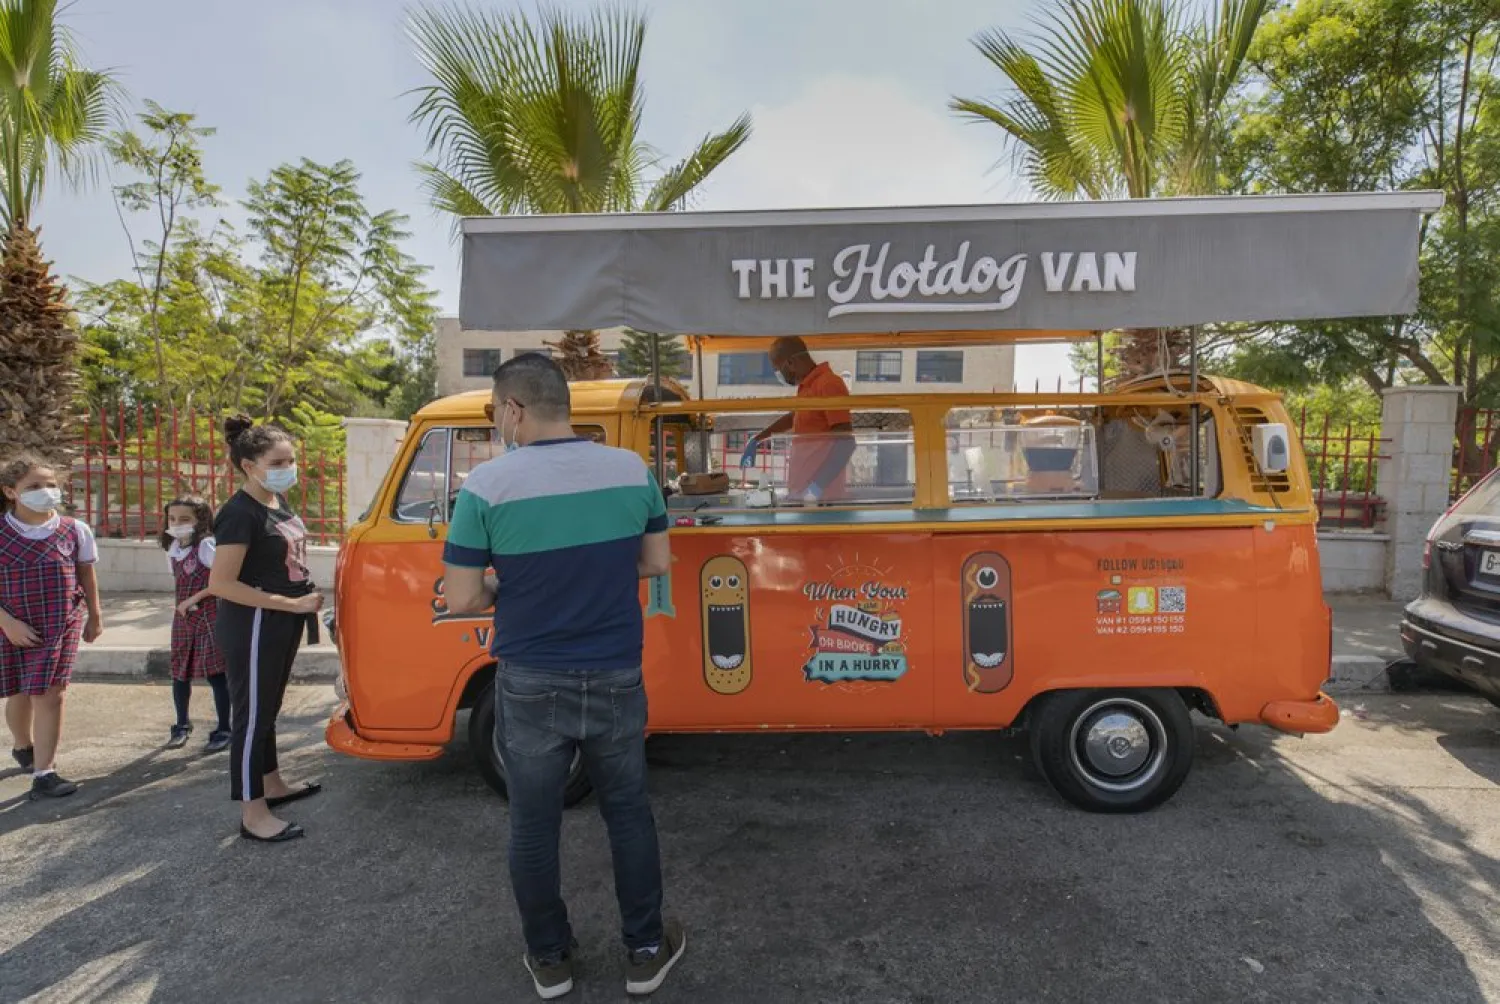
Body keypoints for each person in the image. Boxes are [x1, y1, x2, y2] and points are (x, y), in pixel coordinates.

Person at [442, 354, 683, 1000]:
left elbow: (462, 598)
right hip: (614, 672)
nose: (498, 425)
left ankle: (550, 959)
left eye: (497, 413)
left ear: (515, 409)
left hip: (528, 680)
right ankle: (646, 949)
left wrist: (507, 581)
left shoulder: (486, 488)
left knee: (534, 821)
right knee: (628, 811)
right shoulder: (631, 470)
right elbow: (655, 561)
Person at [207, 416, 323, 844]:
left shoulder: (278, 502)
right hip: (255, 623)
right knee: (251, 716)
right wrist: (290, 602)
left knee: (268, 708)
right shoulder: (238, 513)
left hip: (282, 620)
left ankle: (272, 784)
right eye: (278, 461)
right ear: (248, 465)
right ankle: (252, 812)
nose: (288, 467)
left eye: (291, 459)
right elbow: (221, 584)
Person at [0, 453, 103, 799]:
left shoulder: (75, 529)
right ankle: (22, 744)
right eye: (34, 486)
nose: (46, 492)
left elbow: (86, 572)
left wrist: (96, 615)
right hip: (11, 624)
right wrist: (7, 623)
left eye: (51, 485)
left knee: (51, 694)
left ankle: (44, 773)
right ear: (11, 491)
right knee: (19, 693)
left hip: (61, 622)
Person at [740, 335, 857, 503]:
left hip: (823, 500)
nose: (778, 375)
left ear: (790, 363)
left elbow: (846, 443)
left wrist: (817, 487)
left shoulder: (829, 384)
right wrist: (757, 439)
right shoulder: (806, 387)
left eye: (777, 369)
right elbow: (794, 417)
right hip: (803, 495)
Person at [160, 495, 231, 752]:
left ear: (200, 520)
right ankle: (181, 725)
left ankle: (224, 728)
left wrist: (193, 599)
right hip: (183, 619)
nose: (177, 523)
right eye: (172, 518)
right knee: (179, 673)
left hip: (209, 616)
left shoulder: (207, 547)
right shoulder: (174, 549)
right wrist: (184, 604)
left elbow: (221, 581)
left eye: (185, 519)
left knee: (216, 674)